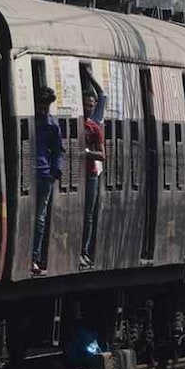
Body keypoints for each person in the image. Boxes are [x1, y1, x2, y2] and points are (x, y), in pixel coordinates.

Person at [32, 86, 63, 276]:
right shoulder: (29, 122)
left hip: (44, 176)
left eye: (46, 105)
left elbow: (59, 151)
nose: (43, 109)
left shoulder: (53, 125)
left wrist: (55, 171)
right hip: (27, 174)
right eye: (41, 105)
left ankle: (34, 257)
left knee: (39, 219)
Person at [80, 69, 107, 268]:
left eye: (91, 104)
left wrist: (90, 76)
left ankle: (85, 250)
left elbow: (103, 95)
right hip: (80, 173)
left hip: (92, 173)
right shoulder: (80, 122)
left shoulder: (95, 124)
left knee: (88, 213)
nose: (89, 108)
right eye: (86, 105)